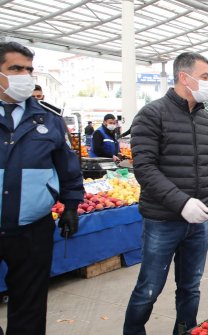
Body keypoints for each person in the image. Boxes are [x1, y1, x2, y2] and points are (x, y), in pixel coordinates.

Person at [123, 52, 208, 335]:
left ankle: (185, 330)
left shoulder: (207, 120)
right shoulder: (151, 114)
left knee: (190, 288)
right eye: (205, 76)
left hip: (197, 223)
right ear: (184, 77)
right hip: (162, 221)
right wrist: (181, 203)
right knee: (149, 288)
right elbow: (144, 169)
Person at [0, 41, 83, 335]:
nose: (25, 75)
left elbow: (68, 168)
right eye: (15, 69)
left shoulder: (49, 119)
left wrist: (71, 206)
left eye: (29, 69)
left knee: (30, 305)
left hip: (32, 229)